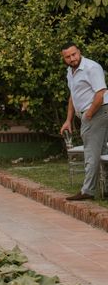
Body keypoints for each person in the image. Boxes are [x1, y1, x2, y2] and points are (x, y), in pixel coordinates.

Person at [59, 42, 108, 200]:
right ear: (64, 58)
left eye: (74, 54)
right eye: (68, 57)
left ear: (79, 52)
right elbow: (73, 96)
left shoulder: (92, 68)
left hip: (97, 111)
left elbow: (100, 94)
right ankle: (104, 189)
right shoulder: (70, 71)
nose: (72, 58)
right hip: (90, 113)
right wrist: (68, 120)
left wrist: (88, 114)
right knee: (103, 152)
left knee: (91, 153)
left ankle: (88, 191)